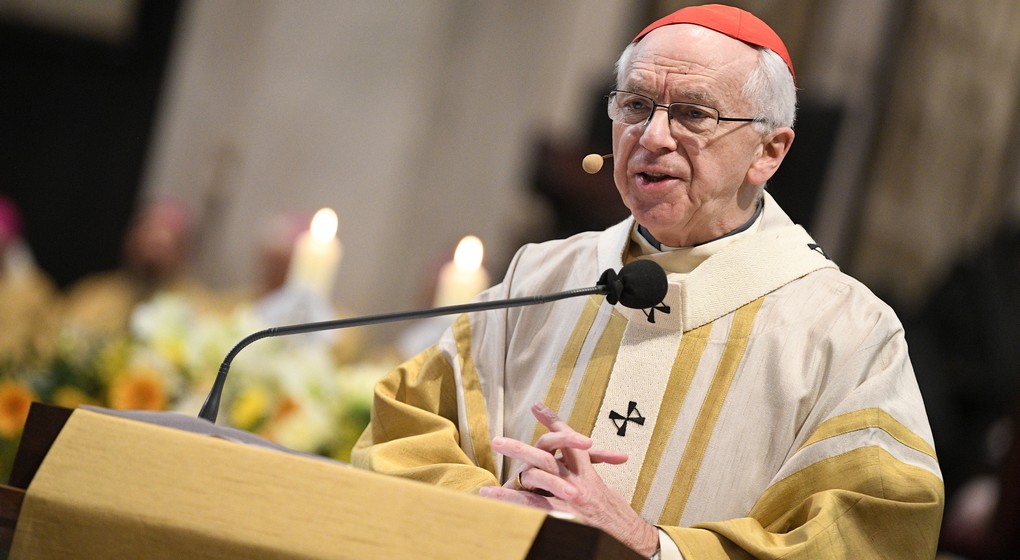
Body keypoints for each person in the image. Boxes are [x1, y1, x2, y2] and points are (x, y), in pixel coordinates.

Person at [352, 4, 943, 558]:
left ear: (769, 151)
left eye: (693, 113)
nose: (653, 136)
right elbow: (401, 436)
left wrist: (650, 544)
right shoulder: (542, 275)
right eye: (634, 106)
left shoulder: (848, 334)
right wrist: (491, 509)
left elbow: (872, 533)